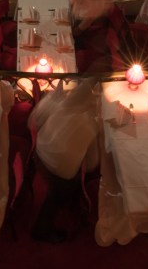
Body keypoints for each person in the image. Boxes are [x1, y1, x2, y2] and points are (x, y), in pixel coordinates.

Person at [29, 78, 101, 243]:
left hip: (39, 154)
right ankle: (41, 231)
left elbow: (33, 120)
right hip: (61, 172)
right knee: (54, 200)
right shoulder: (90, 125)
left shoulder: (58, 100)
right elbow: (91, 164)